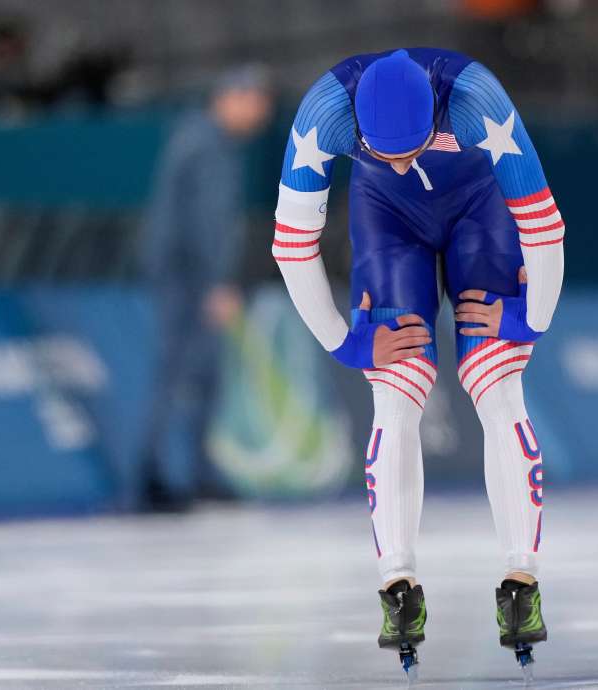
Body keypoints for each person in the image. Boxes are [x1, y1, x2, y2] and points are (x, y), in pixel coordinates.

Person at [271, 49, 563, 671]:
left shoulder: (477, 97)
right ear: (358, 128)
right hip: (387, 222)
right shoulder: (324, 112)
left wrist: (528, 320)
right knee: (396, 386)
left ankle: (521, 580)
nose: (404, 163)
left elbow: (544, 226)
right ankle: (397, 583)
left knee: (497, 378)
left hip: (480, 209)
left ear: (437, 114)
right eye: (388, 154)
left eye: (413, 149)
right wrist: (345, 343)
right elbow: (291, 245)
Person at [138, 66, 273, 510]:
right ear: (231, 97)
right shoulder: (207, 146)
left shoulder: (203, 141)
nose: (261, 114)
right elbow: (205, 222)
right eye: (256, 103)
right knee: (178, 371)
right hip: (187, 278)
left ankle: (196, 473)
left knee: (203, 373)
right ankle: (152, 476)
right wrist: (216, 283)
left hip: (184, 274)